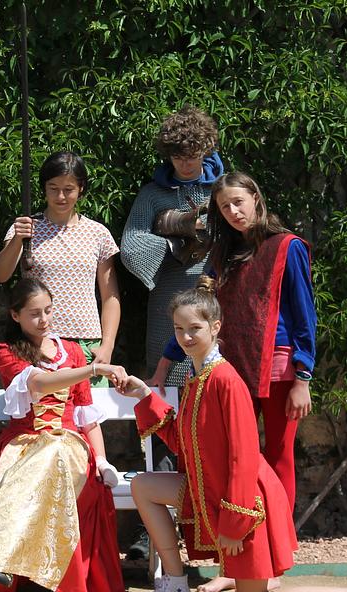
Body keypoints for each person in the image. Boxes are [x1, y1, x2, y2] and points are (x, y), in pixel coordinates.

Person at [117, 279, 347, 592]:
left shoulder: (225, 379)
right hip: (212, 492)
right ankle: (175, 585)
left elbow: (243, 455)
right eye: (179, 329)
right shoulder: (196, 378)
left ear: (215, 327)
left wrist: (236, 522)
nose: (186, 337)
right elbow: (183, 442)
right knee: (144, 485)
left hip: (245, 502)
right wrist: (145, 395)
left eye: (194, 328)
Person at [151, 171, 316, 592]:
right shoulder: (222, 253)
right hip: (232, 368)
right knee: (224, 461)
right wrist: (166, 362)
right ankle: (234, 562)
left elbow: (304, 314)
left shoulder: (288, 247)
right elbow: (199, 314)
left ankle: (273, 562)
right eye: (225, 206)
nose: (233, 211)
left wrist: (303, 376)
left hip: (278, 368)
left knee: (278, 459)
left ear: (256, 198)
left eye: (239, 202)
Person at [0, 278, 126, 592]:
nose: (44, 319)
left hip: (68, 443)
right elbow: (39, 383)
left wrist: (102, 461)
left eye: (48, 310)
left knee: (54, 455)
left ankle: (5, 557)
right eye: (34, 314)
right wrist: (92, 368)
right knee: (39, 462)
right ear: (15, 316)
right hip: (23, 441)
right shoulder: (6, 351)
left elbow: (86, 416)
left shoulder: (72, 351)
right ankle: (5, 559)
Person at [0, 151, 120, 386]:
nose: (61, 196)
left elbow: (110, 296)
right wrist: (18, 239)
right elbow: (0, 275)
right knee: (43, 407)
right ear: (44, 188)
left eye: (68, 189)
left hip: (86, 344)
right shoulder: (26, 228)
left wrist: (107, 345)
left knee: (89, 408)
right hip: (37, 342)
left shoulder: (98, 233)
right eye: (53, 188)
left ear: (81, 189)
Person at [121, 105, 224, 389]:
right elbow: (132, 246)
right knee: (167, 385)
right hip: (168, 297)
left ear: (205, 150)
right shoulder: (152, 194)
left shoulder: (223, 190)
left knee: (213, 382)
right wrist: (177, 240)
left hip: (215, 293)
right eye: (178, 157)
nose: (185, 164)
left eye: (192, 156)